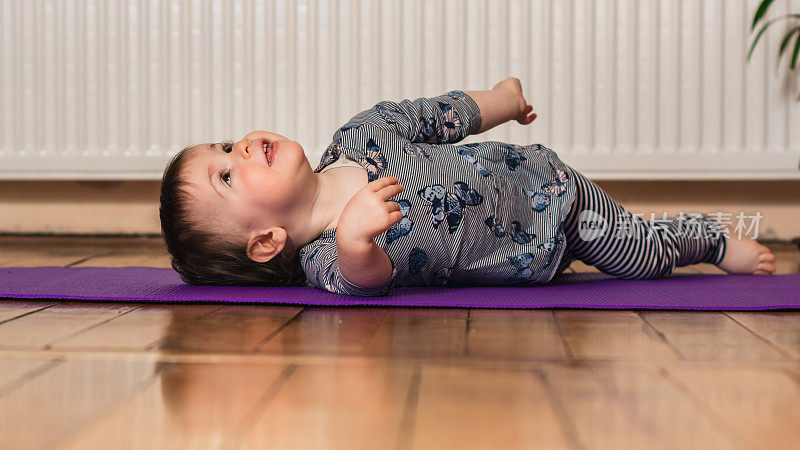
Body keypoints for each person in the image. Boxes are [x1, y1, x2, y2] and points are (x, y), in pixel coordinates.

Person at [159, 77, 776, 296]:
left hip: (551, 193)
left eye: (225, 144)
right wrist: (353, 243)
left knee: (640, 257)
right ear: (266, 241)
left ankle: (706, 240)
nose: (239, 148)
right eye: (227, 174)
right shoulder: (325, 255)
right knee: (629, 260)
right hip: (528, 261)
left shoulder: (361, 137)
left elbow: (438, 113)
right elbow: (362, 284)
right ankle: (703, 238)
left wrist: (501, 101)